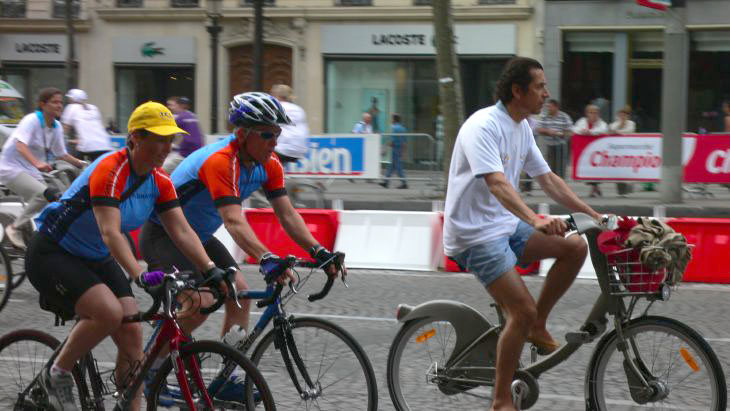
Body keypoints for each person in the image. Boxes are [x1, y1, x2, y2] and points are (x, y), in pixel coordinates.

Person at [139, 92, 341, 399]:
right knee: (200, 303)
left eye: (278, 134)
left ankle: (227, 378)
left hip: (199, 236)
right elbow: (233, 221)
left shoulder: (269, 162)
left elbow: (286, 213)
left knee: (239, 294)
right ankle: (150, 370)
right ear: (243, 133)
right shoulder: (221, 161)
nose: (275, 141)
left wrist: (319, 251)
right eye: (267, 134)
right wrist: (266, 257)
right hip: (163, 234)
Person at [25, 101, 226, 411]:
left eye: (169, 139)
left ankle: (128, 402)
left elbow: (182, 231)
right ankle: (56, 374)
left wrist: (211, 269)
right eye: (158, 139)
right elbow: (111, 232)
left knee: (133, 335)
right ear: (134, 138)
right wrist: (141, 275)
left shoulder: (160, 181)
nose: (165, 147)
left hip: (95, 255)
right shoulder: (110, 168)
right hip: (54, 251)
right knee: (108, 313)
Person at [443, 57, 602, 411]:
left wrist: (591, 213)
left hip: (503, 224)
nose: (547, 94)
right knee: (521, 310)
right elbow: (496, 183)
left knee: (575, 247)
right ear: (518, 91)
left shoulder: (522, 126)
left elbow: (548, 179)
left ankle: (538, 324)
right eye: (540, 87)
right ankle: (500, 401)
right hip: (474, 235)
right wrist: (535, 219)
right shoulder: (483, 126)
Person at [0, 87, 86, 250]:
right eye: (54, 102)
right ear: (43, 105)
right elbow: (20, 145)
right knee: (44, 195)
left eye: (61, 102)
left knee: (57, 201)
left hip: (30, 170)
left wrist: (81, 164)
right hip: (10, 168)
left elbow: (61, 153)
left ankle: (40, 237)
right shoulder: (32, 120)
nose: (59, 105)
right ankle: (15, 227)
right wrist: (38, 163)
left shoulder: (57, 127)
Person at [61, 88, 113, 162]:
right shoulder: (94, 108)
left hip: (87, 147)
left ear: (72, 99)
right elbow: (92, 129)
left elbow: (64, 129)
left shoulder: (71, 107)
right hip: (105, 145)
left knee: (75, 164)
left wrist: (62, 140)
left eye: (69, 98)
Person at [572, 104, 608, 197]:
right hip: (586, 152)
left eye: (595, 113)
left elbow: (603, 129)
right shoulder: (582, 121)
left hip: (598, 151)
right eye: (591, 113)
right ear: (587, 113)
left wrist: (590, 132)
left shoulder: (601, 123)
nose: (593, 115)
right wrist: (583, 131)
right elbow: (575, 129)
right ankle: (596, 189)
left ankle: (594, 189)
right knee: (589, 170)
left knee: (596, 170)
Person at [162, 96, 203, 173]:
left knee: (161, 170)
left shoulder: (180, 117)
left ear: (178, 105)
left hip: (186, 154)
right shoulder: (193, 116)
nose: (170, 107)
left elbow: (166, 131)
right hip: (198, 153)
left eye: (172, 105)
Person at [270, 84, 310, 163]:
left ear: (278, 96)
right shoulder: (299, 109)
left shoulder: (278, 108)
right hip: (301, 149)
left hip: (283, 148)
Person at [535, 99, 572, 179]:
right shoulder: (545, 116)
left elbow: (570, 131)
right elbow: (538, 129)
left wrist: (560, 134)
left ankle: (561, 181)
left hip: (561, 145)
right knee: (551, 165)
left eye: (550, 107)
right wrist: (549, 131)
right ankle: (554, 181)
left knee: (561, 166)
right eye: (547, 107)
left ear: (556, 107)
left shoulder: (564, 116)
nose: (548, 109)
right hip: (550, 145)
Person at [379, 113, 408, 189]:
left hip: (396, 149)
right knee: (391, 167)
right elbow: (404, 141)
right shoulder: (403, 128)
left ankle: (404, 183)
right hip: (399, 149)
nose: (391, 120)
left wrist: (385, 148)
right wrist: (404, 152)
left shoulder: (395, 128)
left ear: (394, 120)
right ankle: (386, 182)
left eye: (391, 119)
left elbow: (393, 140)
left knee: (398, 167)